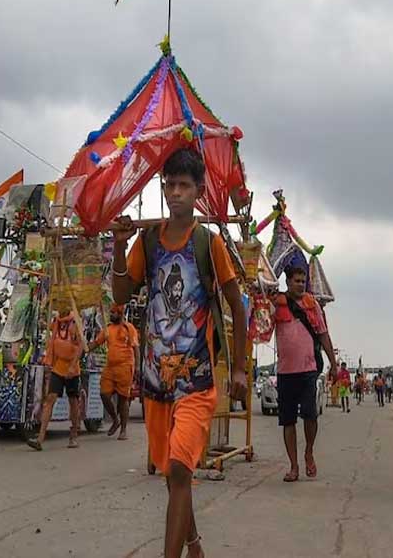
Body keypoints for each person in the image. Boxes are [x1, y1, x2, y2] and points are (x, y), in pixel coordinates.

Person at [112, 148, 248, 558]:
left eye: (184, 186)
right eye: (169, 185)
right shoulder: (149, 241)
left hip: (196, 381)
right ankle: (193, 544)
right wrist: (118, 246)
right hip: (155, 383)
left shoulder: (209, 243)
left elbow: (236, 304)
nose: (175, 193)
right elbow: (121, 294)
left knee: (179, 468)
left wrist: (239, 369)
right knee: (173, 474)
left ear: (198, 191)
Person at [273, 265, 338, 482]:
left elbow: (323, 334)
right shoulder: (277, 303)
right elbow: (263, 327)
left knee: (310, 416)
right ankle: (293, 466)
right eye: (297, 281)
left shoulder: (312, 305)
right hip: (285, 372)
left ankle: (309, 451)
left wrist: (333, 364)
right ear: (288, 282)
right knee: (288, 421)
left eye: (303, 281)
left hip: (308, 370)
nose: (301, 285)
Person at [29, 311, 83, 450]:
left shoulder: (74, 322)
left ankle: (73, 435)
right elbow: (46, 328)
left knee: (73, 402)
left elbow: (81, 346)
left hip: (72, 369)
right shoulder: (56, 322)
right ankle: (40, 438)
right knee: (50, 399)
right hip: (58, 367)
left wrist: (72, 366)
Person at [89, 305, 140, 440]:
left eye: (113, 313)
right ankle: (115, 420)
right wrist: (84, 349)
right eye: (110, 312)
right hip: (110, 368)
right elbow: (96, 343)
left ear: (120, 314)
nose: (111, 315)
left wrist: (137, 367)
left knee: (123, 400)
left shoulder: (129, 328)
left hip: (125, 367)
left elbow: (136, 348)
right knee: (104, 394)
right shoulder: (108, 329)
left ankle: (123, 430)